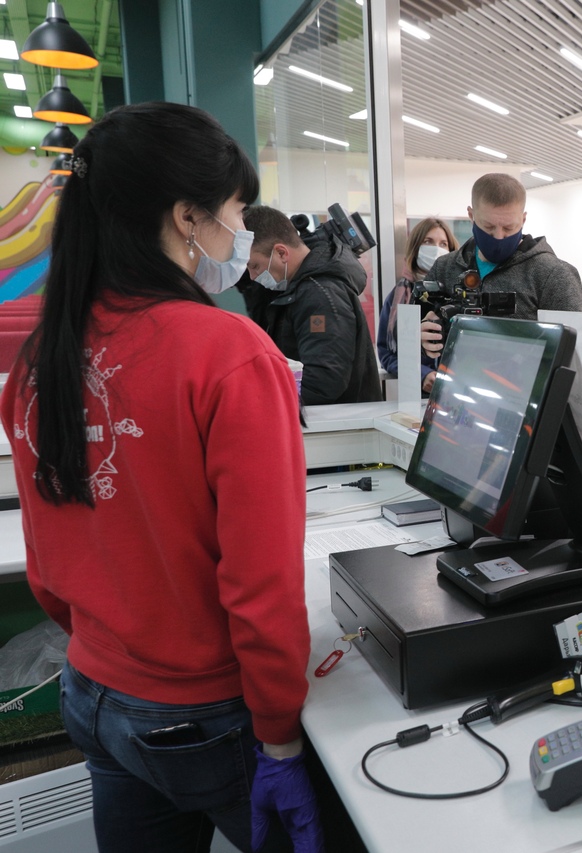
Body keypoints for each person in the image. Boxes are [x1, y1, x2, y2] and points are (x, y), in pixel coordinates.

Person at [0, 103, 320, 852]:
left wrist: (112, 641)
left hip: (94, 694)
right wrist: (279, 735)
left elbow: (47, 552)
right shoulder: (229, 351)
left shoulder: (40, 358)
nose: (242, 233)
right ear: (187, 216)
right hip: (202, 717)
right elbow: (261, 581)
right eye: (237, 211)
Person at [243, 204, 381, 405]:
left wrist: (262, 399)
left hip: (332, 426)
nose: (253, 276)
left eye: (254, 266)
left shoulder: (319, 295)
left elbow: (323, 381)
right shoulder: (305, 288)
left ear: (282, 253)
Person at [421, 173, 582, 321]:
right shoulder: (444, 268)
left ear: (523, 219)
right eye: (488, 226)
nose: (499, 237)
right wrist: (421, 337)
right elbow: (406, 334)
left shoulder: (552, 275)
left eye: (508, 228)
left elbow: (578, 350)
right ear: (471, 216)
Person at [376, 217, 458, 396]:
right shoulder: (399, 296)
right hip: (417, 398)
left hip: (459, 391)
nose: (437, 249)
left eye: (443, 244)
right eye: (428, 241)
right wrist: (421, 374)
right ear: (415, 247)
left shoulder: (461, 293)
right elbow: (386, 353)